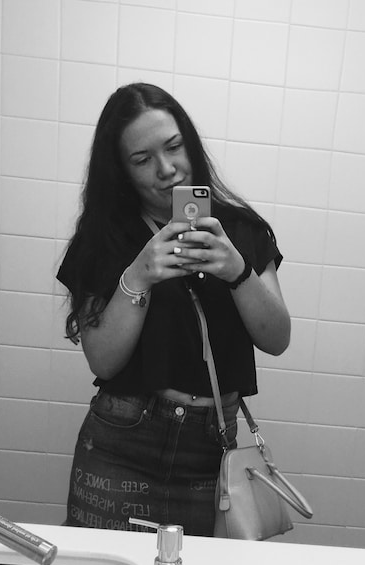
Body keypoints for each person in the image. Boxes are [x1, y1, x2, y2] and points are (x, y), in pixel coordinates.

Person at [57, 83, 291, 536]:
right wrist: (138, 276)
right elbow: (103, 360)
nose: (166, 169)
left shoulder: (240, 230)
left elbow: (277, 339)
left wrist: (238, 271)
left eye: (173, 147)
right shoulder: (103, 240)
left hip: (211, 453)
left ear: (190, 144)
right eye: (142, 159)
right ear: (121, 170)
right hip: (122, 446)